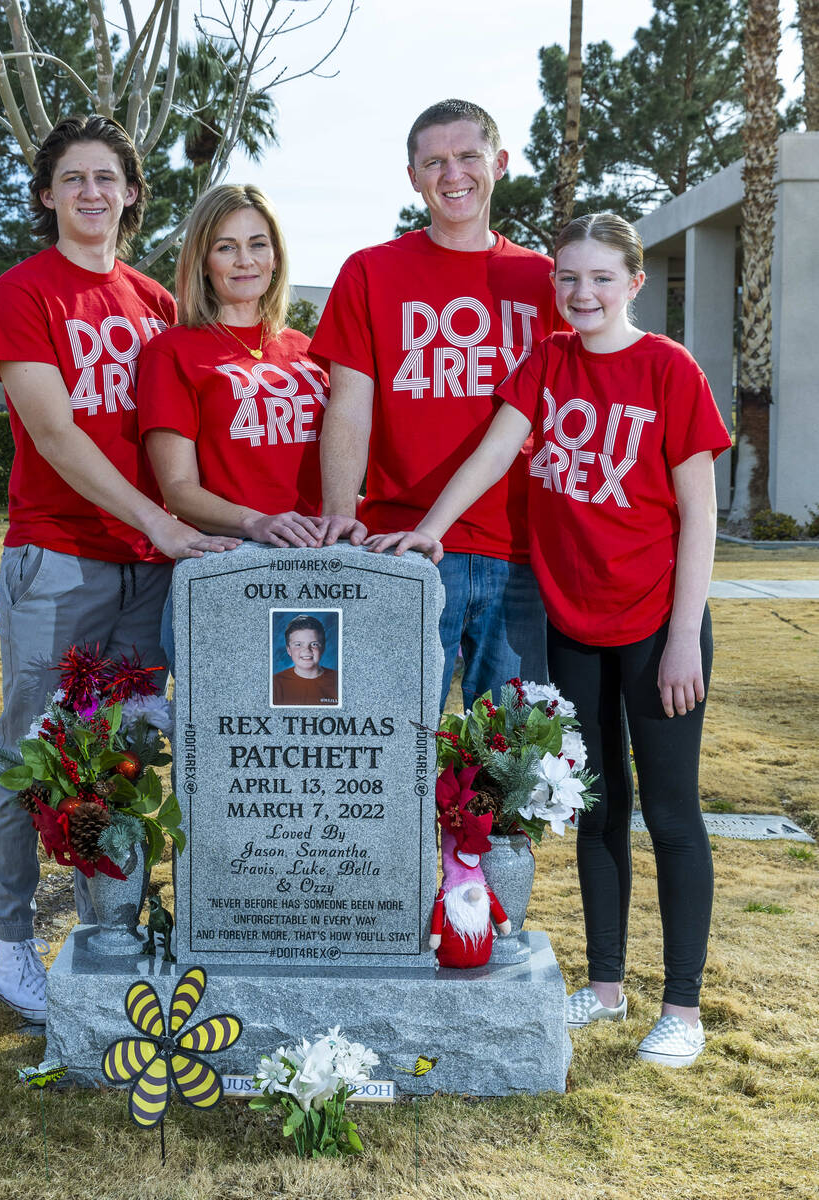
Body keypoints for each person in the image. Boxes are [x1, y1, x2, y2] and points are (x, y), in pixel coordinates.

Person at [369, 212, 731, 1068]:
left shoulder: (668, 370)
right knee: (597, 808)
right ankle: (605, 987)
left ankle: (681, 1006)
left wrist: (684, 637)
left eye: (602, 278)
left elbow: (701, 519)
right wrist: (431, 528)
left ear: (634, 283)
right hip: (573, 622)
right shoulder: (548, 359)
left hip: (655, 626)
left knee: (670, 814)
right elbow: (496, 452)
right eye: (568, 279)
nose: (582, 294)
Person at [0, 115, 238, 1023]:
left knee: (124, 755)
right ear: (47, 194)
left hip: (150, 571)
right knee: (29, 753)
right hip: (59, 558)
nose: (92, 193)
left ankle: (115, 923)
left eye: (108, 179)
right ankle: (14, 944)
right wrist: (156, 523)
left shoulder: (158, 305)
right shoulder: (22, 293)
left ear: (132, 194)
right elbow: (55, 435)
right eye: (73, 179)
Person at [311, 98, 562, 712]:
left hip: (523, 549)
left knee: (518, 752)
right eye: (435, 162)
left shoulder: (548, 281)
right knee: (390, 737)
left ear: (499, 163)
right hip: (401, 543)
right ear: (413, 176)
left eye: (468, 156)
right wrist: (342, 518)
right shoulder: (370, 273)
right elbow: (347, 406)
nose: (453, 175)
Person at [139, 184, 329, 550]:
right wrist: (256, 522)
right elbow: (178, 490)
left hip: (317, 558)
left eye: (258, 244)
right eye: (226, 247)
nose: (245, 260)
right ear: (203, 262)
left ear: (275, 257)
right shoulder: (171, 352)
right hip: (231, 558)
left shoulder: (307, 350)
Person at [272, 614, 339, 706]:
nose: (307, 650)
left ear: (322, 648)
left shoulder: (339, 680)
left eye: (314, 644)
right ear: (289, 650)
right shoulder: (274, 684)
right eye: (298, 644)